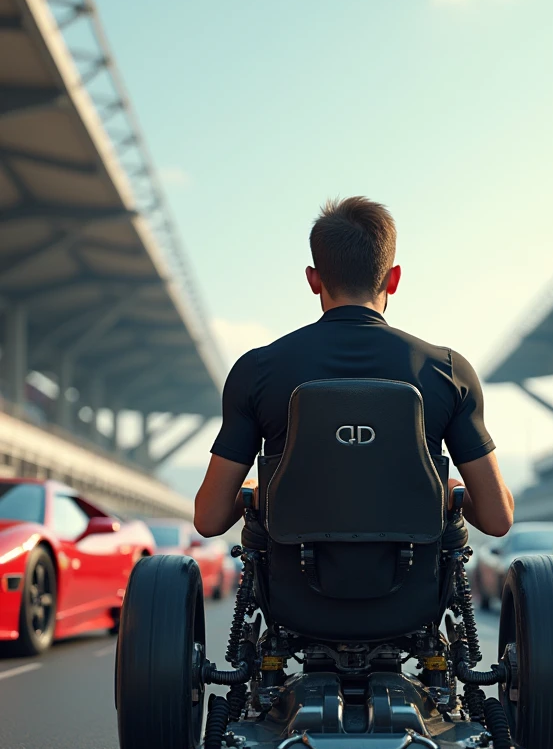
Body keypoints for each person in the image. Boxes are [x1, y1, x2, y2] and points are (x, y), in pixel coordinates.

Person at [195, 196, 513, 539]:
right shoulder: (449, 372)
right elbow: (498, 519)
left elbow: (209, 519)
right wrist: (449, 488)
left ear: (314, 280)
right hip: (415, 587)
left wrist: (256, 493)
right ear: (393, 279)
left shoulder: (256, 370)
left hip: (292, 587)